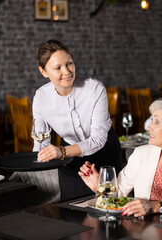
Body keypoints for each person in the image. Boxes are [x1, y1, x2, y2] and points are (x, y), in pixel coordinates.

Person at [79, 98, 162, 217]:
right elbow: (118, 193)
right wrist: (98, 186)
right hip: (143, 228)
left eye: (156, 122)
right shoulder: (141, 153)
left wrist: (156, 206)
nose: (149, 127)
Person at [33, 39, 122, 201]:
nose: (67, 71)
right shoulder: (40, 97)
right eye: (57, 68)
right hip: (69, 161)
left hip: (105, 154)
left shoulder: (94, 88)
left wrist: (62, 152)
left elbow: (98, 139)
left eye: (69, 64)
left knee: (110, 206)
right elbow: (41, 140)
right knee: (72, 212)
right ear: (43, 71)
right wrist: (38, 159)